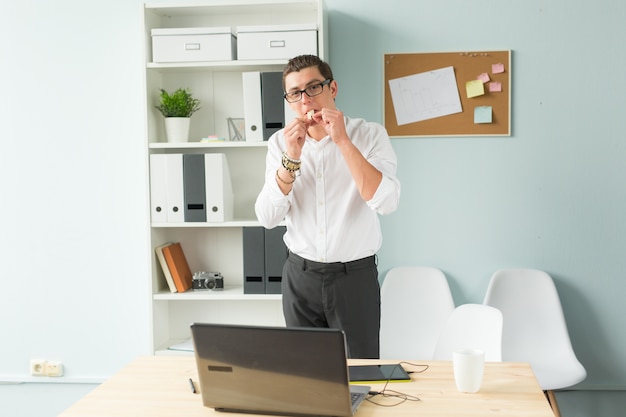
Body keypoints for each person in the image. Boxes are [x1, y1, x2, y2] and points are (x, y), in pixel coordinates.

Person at [254, 54, 401, 358]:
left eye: (313, 88)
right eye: (295, 93)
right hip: (300, 277)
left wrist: (343, 142)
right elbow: (267, 216)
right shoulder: (280, 144)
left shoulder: (370, 135)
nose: (305, 100)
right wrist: (291, 159)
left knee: (360, 375)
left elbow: (386, 202)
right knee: (306, 379)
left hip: (354, 280)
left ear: (332, 88)